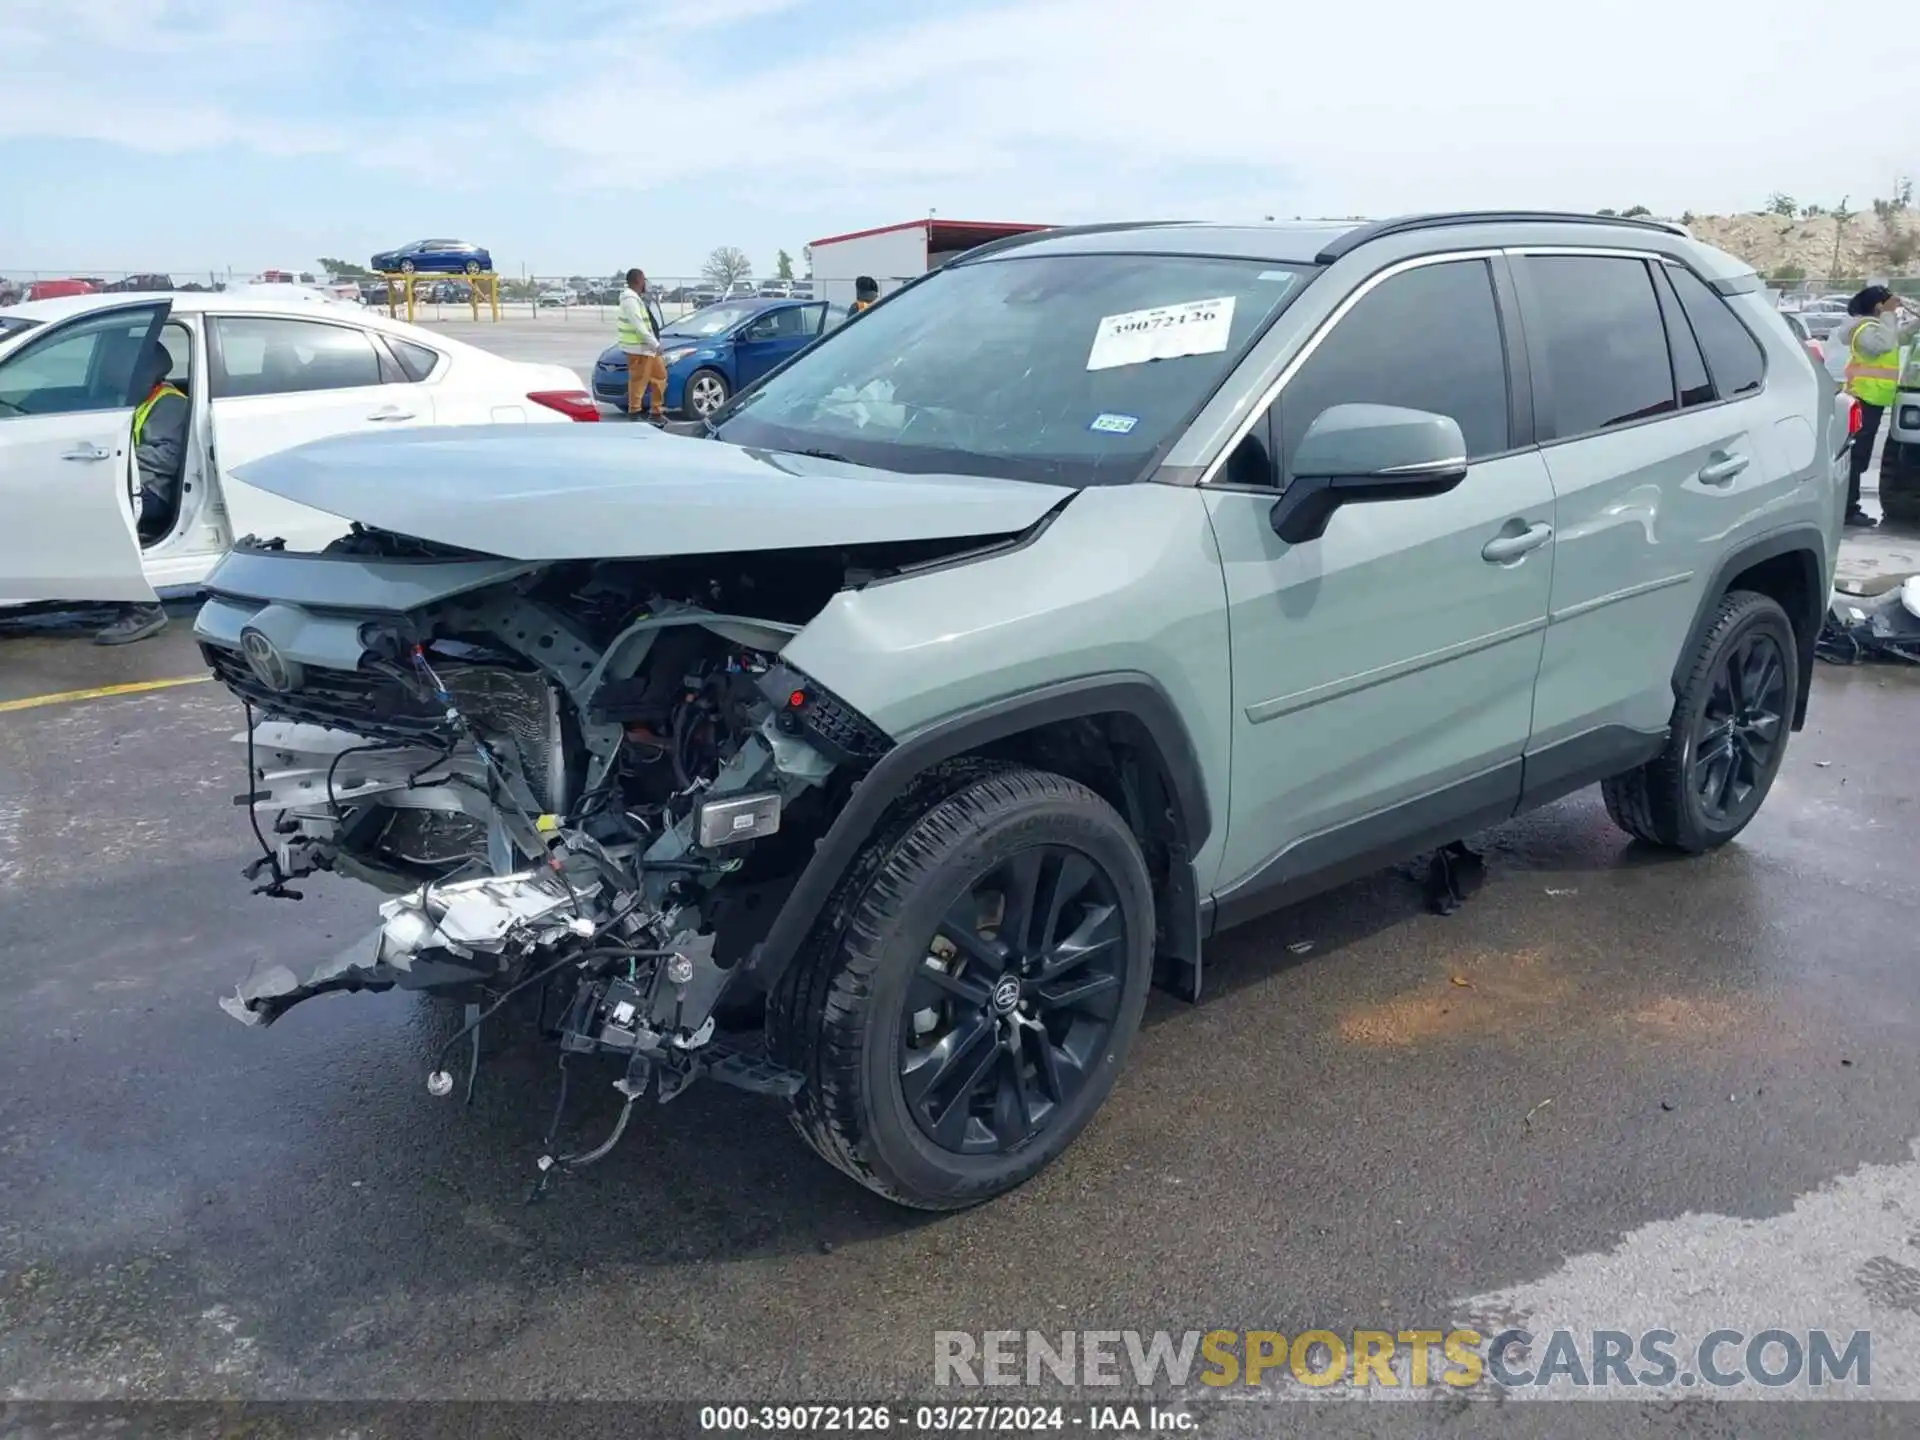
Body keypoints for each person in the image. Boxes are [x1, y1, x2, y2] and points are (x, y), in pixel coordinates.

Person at [95, 345, 188, 646]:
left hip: (155, 491)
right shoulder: (136, 401)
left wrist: (117, 458)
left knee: (107, 520)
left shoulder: (169, 404)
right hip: (134, 484)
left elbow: (168, 457)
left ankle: (143, 609)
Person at [1837, 285, 1919, 529]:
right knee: (1856, 457)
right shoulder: (1863, 329)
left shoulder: (1878, 328)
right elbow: (1883, 345)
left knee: (1859, 457)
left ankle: (1849, 507)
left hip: (1873, 400)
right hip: (1863, 398)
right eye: (1888, 303)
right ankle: (1848, 509)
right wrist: (1890, 314)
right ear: (1878, 306)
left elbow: (1897, 339)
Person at [617, 268, 667, 423]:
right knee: (639, 381)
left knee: (660, 376)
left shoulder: (637, 299)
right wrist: (655, 343)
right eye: (644, 279)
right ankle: (634, 413)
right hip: (639, 348)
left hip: (648, 348)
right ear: (638, 281)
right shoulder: (630, 300)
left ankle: (656, 412)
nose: (646, 282)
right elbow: (639, 325)